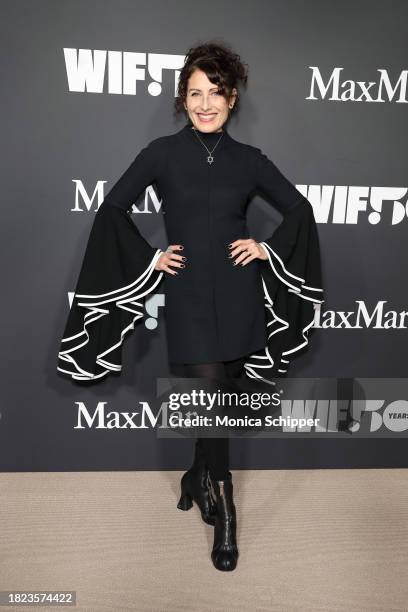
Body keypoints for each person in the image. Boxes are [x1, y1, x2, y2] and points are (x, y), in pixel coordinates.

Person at [57, 41, 324, 572]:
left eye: (217, 93)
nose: (206, 104)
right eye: (196, 93)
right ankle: (223, 507)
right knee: (211, 393)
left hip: (238, 291)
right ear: (182, 97)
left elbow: (300, 208)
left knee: (217, 395)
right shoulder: (161, 152)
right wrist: (150, 259)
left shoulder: (250, 161)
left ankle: (193, 475)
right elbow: (112, 209)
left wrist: (265, 248)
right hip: (187, 295)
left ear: (232, 99)